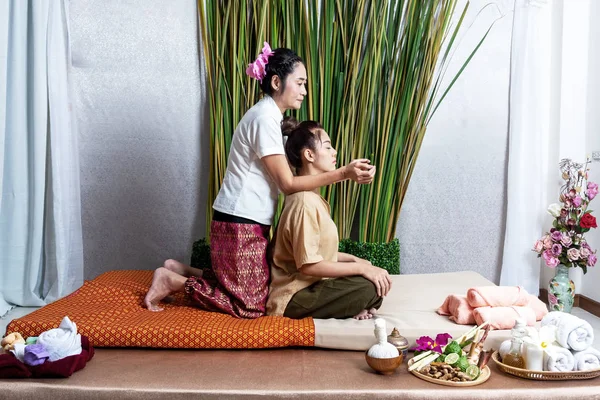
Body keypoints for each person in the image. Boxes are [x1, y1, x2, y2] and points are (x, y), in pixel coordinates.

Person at [144, 43, 376, 318]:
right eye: (299, 83)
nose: (304, 91)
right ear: (277, 82)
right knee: (250, 306)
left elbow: (291, 161)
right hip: (239, 219)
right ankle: (174, 281)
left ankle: (183, 270)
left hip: (247, 218)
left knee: (250, 285)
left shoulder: (270, 118)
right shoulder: (264, 118)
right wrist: (344, 174)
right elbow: (288, 184)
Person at [266, 118, 392, 320]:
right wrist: (360, 269)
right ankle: (352, 306)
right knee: (368, 287)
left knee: (374, 279)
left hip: (313, 285)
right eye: (328, 147)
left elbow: (318, 252)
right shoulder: (304, 202)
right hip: (295, 296)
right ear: (309, 155)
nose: (334, 152)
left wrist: (357, 261)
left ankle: (352, 307)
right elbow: (308, 265)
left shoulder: (313, 199)